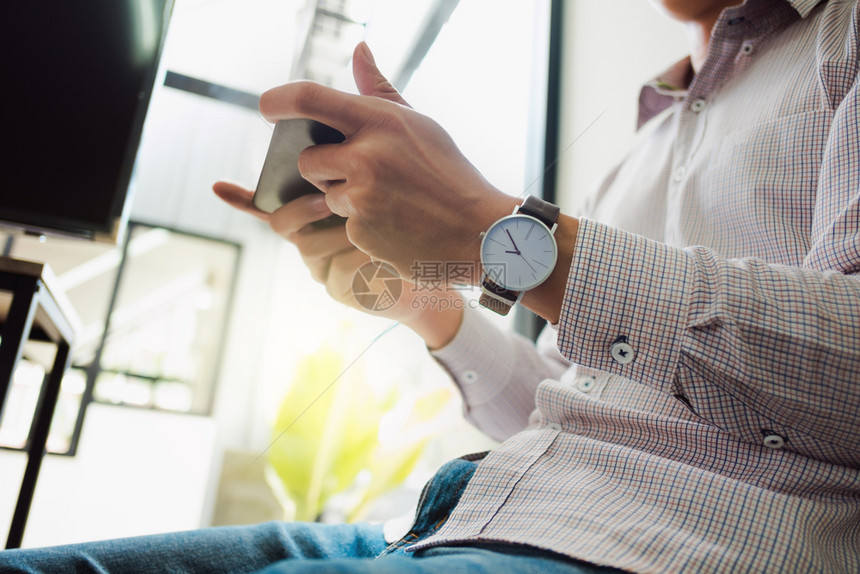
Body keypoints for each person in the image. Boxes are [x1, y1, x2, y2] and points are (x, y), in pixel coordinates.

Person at [2, 0, 859, 571]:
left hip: (644, 549)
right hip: (451, 519)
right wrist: (422, 298)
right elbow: (572, 406)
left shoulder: (843, 38)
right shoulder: (638, 151)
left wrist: (497, 233)